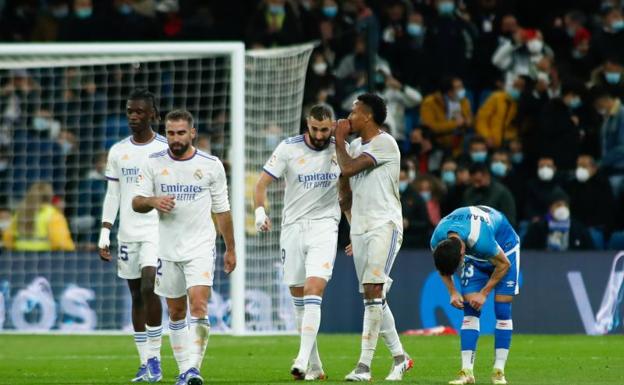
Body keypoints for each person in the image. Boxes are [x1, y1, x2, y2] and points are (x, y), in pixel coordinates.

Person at [133, 109, 236, 385]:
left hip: (201, 245)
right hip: (167, 248)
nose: (175, 138)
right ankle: (183, 371)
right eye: (170, 133)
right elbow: (136, 202)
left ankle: (192, 369)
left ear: (193, 133)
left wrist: (231, 248)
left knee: (199, 304)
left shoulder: (212, 165)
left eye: (181, 133)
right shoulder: (152, 163)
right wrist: (154, 201)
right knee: (176, 311)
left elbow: (222, 210)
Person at [254, 104, 341, 380]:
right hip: (291, 228)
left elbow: (350, 189)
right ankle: (314, 366)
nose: (319, 134)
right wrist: (259, 212)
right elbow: (260, 185)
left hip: (325, 226)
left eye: (324, 129)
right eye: (314, 129)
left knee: (314, 289)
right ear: (308, 124)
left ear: (332, 126)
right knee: (298, 300)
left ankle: (301, 359)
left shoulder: (341, 149)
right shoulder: (288, 148)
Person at [334, 93, 412, 381]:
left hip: (385, 225)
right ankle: (400, 358)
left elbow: (349, 167)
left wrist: (339, 141)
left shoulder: (385, 143)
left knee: (374, 290)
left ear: (367, 116)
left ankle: (364, 366)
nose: (349, 118)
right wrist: (351, 222)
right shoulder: (354, 145)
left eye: (353, 112)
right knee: (374, 295)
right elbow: (346, 185)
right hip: (361, 227)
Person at [97, 89, 167, 383]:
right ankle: (144, 362)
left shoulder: (165, 148)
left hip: (157, 229)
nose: (133, 117)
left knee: (151, 287)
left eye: (139, 112)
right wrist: (105, 231)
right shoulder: (118, 151)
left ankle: (157, 359)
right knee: (136, 295)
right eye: (130, 112)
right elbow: (113, 194)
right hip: (127, 232)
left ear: (152, 114)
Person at [431, 205, 519, 385]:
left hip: (505, 248)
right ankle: (466, 373)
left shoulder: (481, 239)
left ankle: (498, 372)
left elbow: (504, 265)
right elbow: (443, 268)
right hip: (475, 254)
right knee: (470, 309)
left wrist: (484, 293)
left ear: (462, 253)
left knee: (502, 309)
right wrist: (452, 292)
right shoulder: (437, 240)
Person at [3, 181, 75, 251]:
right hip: (45, 258)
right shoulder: (53, 215)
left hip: (20, 257)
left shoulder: (20, 213)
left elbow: (7, 239)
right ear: (50, 196)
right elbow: (60, 241)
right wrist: (73, 248)